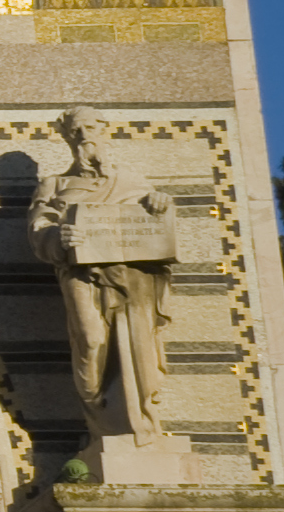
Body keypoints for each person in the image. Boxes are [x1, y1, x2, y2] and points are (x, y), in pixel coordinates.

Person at [32, 107, 178, 445]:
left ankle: (138, 419)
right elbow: (38, 228)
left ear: (104, 130)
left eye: (91, 127)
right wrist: (58, 238)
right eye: (77, 129)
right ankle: (100, 416)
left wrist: (158, 201)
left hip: (132, 274)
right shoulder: (54, 184)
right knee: (91, 337)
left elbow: (154, 211)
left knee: (137, 343)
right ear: (67, 136)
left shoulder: (130, 181)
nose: (85, 135)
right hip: (80, 272)